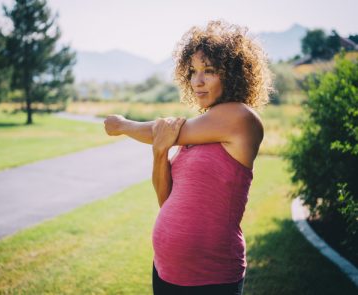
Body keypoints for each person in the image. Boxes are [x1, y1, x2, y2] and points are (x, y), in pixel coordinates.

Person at [104, 20, 272, 295]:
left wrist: (122, 125)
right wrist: (159, 152)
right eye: (192, 72)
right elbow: (165, 199)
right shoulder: (198, 130)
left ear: (232, 74)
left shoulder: (242, 118)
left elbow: (160, 130)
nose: (198, 81)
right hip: (166, 270)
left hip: (211, 276)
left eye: (209, 71)